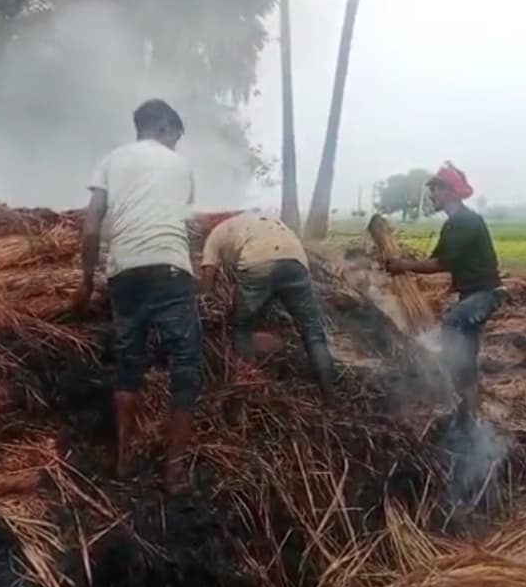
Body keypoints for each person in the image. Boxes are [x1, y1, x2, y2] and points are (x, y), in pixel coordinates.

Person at [77, 99, 199, 494]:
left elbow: (92, 226)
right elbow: (177, 220)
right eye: (175, 137)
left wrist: (86, 281)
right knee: (185, 365)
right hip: (170, 269)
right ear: (164, 128)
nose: (175, 146)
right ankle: (175, 471)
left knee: (129, 363)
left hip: (124, 273)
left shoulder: (110, 160)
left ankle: (124, 459)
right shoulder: (178, 166)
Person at [386, 163, 503, 419]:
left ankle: (446, 383)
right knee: (466, 363)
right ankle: (470, 416)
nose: (432, 195)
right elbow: (442, 261)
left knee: (451, 324)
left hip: (483, 296)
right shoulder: (456, 223)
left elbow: (440, 264)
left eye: (436, 189)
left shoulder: (464, 222)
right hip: (474, 295)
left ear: (450, 192)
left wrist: (402, 265)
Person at [200, 210, 337, 404]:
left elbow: (208, 275)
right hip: (295, 260)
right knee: (312, 329)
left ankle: (248, 387)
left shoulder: (216, 233)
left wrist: (206, 303)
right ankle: (330, 394)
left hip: (258, 261)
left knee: (242, 327)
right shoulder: (263, 220)